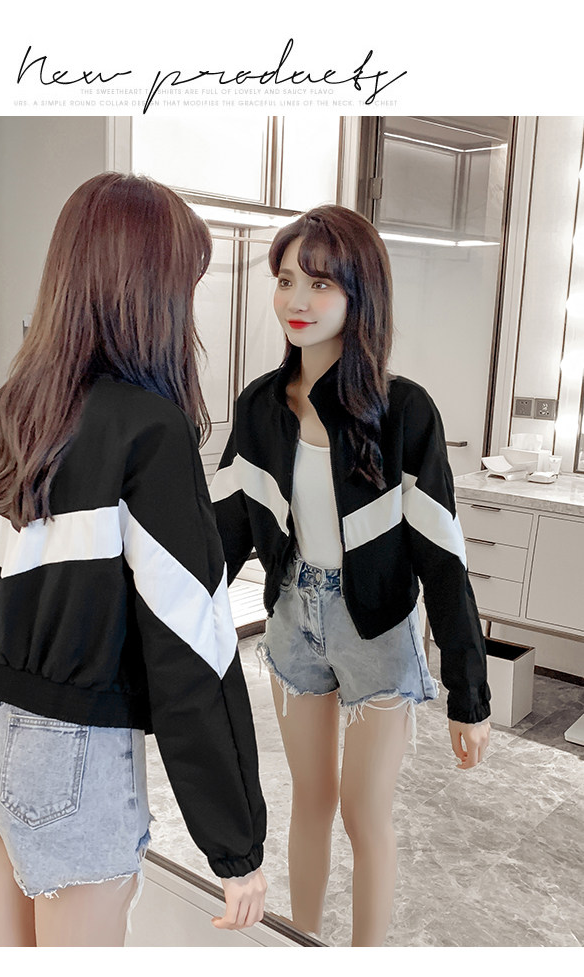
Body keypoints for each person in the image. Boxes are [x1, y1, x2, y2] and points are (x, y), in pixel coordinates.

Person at [0, 172, 267, 947]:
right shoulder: (150, 431)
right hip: (70, 756)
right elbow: (192, 650)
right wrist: (236, 842)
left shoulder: (8, 409)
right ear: (151, 290)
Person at [210, 204, 491, 946]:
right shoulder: (260, 407)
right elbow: (221, 541)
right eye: (285, 280)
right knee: (310, 802)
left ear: (359, 292)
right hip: (292, 616)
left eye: (320, 283)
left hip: (377, 624)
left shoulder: (405, 413)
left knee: (367, 815)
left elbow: (443, 560)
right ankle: (301, 945)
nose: (296, 300)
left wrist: (469, 690)